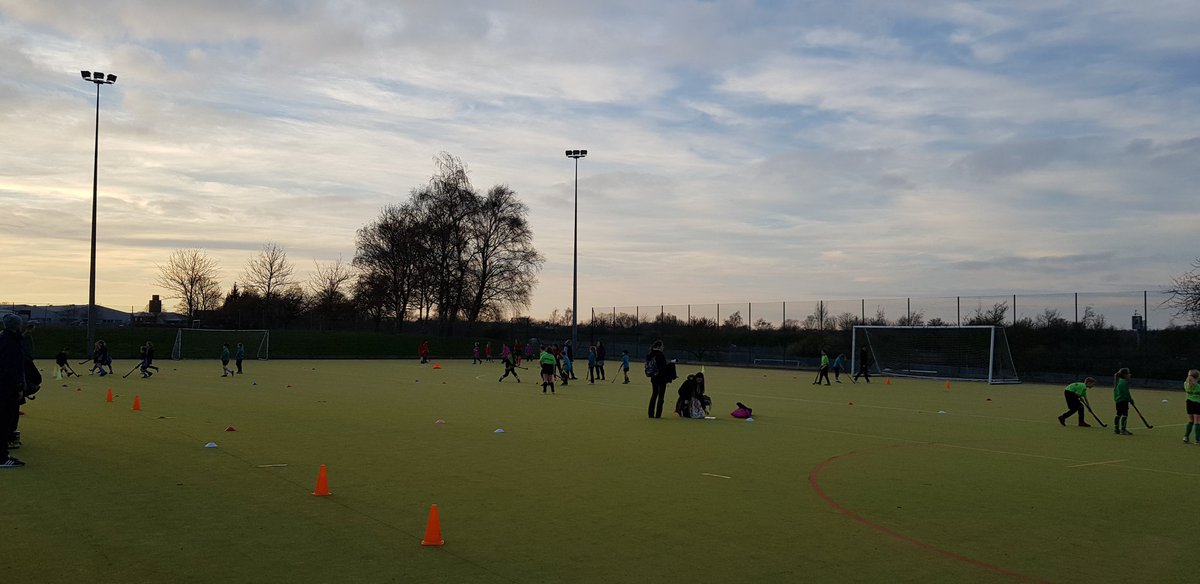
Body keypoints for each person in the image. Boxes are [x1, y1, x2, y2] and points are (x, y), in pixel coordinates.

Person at [1, 314, 29, 467]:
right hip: (7, 388)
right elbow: (12, 367)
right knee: (5, 422)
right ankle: (2, 457)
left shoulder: (3, 339)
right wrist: (19, 386)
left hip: (5, 385)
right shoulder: (12, 343)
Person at [645, 340, 675, 418]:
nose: (663, 347)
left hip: (653, 377)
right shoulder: (660, 354)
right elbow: (663, 367)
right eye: (662, 346)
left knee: (654, 394)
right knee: (661, 396)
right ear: (658, 346)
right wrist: (671, 363)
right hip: (661, 378)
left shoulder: (650, 354)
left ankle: (650, 413)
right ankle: (658, 414)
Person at [1112, 367, 1134, 436]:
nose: (1130, 375)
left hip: (1118, 401)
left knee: (1118, 414)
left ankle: (1116, 429)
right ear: (1125, 375)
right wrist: (1131, 400)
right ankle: (1123, 430)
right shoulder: (1124, 382)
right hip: (1123, 401)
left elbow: (1115, 393)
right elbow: (1126, 393)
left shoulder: (1118, 381)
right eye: (1129, 373)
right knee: (1125, 415)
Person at [1183, 370, 1200, 444]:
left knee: (1191, 421)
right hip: (1197, 404)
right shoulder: (1198, 387)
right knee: (1197, 422)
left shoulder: (1185, 384)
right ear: (1198, 377)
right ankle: (1197, 439)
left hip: (1189, 403)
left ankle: (1186, 437)